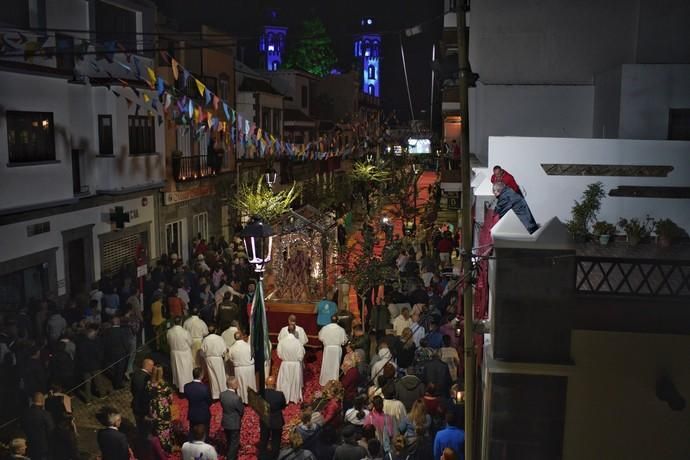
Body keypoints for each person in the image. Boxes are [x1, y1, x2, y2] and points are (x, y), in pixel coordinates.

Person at [146, 365, 173, 452]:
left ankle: (158, 446)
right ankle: (167, 446)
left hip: (153, 409)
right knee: (165, 427)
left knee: (157, 427)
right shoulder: (164, 385)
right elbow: (170, 398)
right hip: (163, 409)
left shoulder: (148, 384)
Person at [21, 393, 54, 460]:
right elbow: (51, 431)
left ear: (32, 400)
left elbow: (23, 428)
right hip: (43, 448)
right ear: (42, 401)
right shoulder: (45, 414)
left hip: (29, 446)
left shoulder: (25, 413)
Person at [102, 316, 132, 389]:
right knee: (120, 369)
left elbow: (105, 342)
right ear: (118, 322)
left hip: (111, 353)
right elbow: (125, 343)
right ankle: (117, 384)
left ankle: (116, 381)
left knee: (114, 369)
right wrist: (128, 351)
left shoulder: (107, 331)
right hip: (121, 353)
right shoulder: (122, 331)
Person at [260, 376, 286, 459]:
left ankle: (262, 456)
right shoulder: (279, 394)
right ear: (274, 384)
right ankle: (275, 457)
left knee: (264, 439)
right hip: (276, 419)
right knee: (276, 440)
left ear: (266, 384)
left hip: (265, 419)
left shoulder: (260, 393)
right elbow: (283, 406)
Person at [276, 328, 305, 404]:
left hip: (285, 364)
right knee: (295, 380)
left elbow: (279, 354)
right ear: (295, 331)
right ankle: (294, 397)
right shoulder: (298, 343)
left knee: (285, 381)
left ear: (287, 331)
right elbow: (301, 356)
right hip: (295, 365)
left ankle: (284, 397)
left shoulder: (282, 342)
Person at [227, 331, 256, 403]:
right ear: (242, 336)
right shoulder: (248, 346)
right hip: (249, 368)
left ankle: (243, 400)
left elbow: (230, 358)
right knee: (250, 384)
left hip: (238, 369)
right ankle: (251, 400)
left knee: (240, 385)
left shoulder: (232, 348)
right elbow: (253, 355)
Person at [166, 316, 194, 392]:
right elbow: (191, 343)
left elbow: (168, 342)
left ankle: (179, 387)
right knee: (185, 372)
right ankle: (186, 388)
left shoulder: (169, 332)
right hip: (184, 354)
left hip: (174, 354)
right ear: (181, 322)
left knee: (177, 372)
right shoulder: (185, 332)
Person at [318, 316, 347, 386]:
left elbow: (320, 338)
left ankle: (325, 381)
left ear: (330, 320)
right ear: (337, 321)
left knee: (326, 365)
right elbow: (344, 341)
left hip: (328, 349)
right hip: (337, 350)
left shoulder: (325, 328)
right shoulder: (341, 330)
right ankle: (334, 382)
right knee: (335, 366)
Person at [200, 324, 227, 399]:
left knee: (212, 377)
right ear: (215, 330)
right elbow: (224, 350)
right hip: (217, 358)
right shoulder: (219, 338)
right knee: (220, 376)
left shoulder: (205, 339)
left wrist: (205, 357)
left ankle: (215, 395)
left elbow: (202, 351)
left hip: (209, 359)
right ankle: (223, 392)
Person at [219, 376, 244, 460]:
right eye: (237, 383)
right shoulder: (236, 398)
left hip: (225, 421)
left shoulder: (222, 394)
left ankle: (229, 453)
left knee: (229, 440)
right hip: (234, 423)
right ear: (234, 385)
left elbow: (222, 405)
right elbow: (241, 411)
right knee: (234, 443)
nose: (238, 384)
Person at [183, 368, 212, 436]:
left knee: (192, 433)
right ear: (201, 376)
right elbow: (209, 401)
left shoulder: (187, 386)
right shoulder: (204, 388)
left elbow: (187, 397)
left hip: (192, 414)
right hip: (203, 415)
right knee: (204, 434)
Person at [130, 358, 154, 432]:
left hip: (136, 404)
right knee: (145, 425)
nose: (153, 368)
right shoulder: (147, 378)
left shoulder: (135, 374)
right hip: (143, 406)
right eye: (152, 366)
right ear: (148, 366)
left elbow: (132, 389)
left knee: (139, 423)